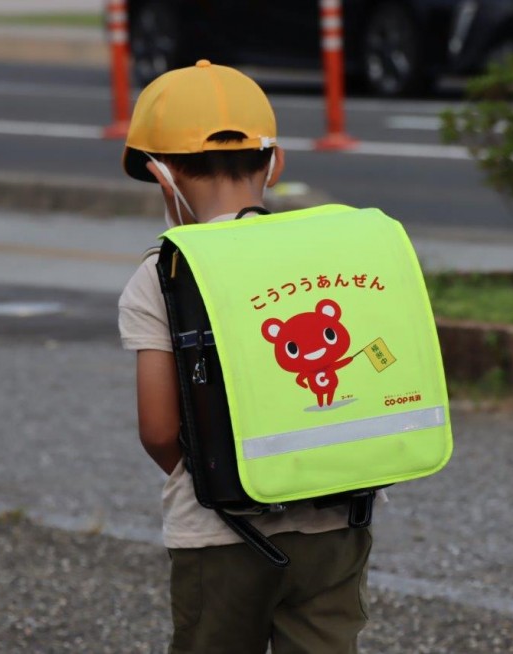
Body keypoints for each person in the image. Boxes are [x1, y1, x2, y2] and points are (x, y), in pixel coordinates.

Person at [117, 59, 373, 654]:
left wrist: (219, 481)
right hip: (336, 523)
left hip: (218, 535)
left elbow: (158, 430)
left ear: (161, 176)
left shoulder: (162, 275)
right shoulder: (319, 257)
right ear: (275, 163)